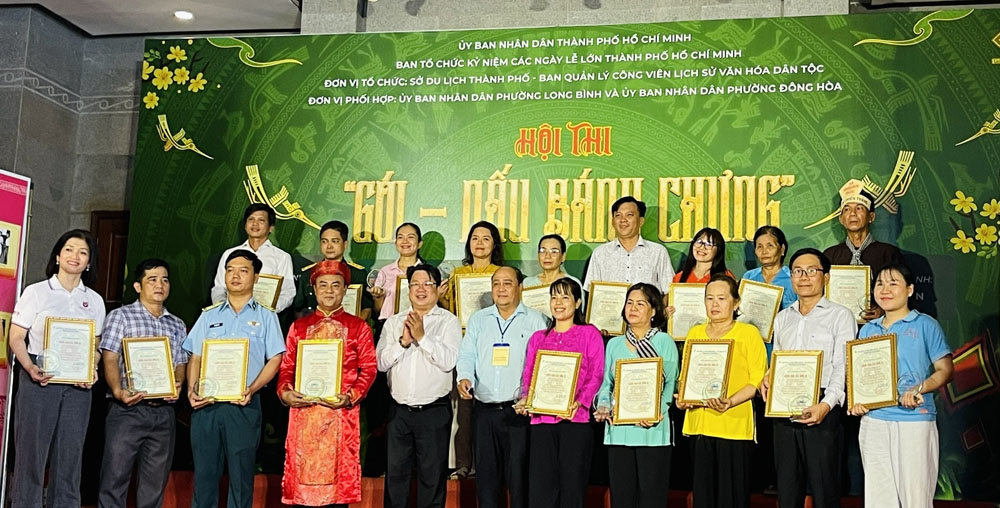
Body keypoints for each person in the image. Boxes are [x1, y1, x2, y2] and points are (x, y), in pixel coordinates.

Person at [8, 229, 106, 508]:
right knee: (31, 456)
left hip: (77, 388)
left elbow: (96, 345)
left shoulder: (95, 300)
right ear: (58, 256)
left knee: (70, 458)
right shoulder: (37, 292)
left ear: (89, 262)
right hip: (39, 379)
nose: (75, 256)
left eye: (83, 252)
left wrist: (92, 368)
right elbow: (16, 337)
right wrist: (30, 367)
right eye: (69, 250)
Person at [184, 249, 285, 508]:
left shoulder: (266, 316)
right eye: (230, 270)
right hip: (207, 406)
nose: (235, 276)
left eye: (243, 270)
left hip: (243, 405)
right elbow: (195, 357)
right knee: (204, 476)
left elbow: (275, 359)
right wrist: (192, 391)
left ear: (256, 277)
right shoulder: (209, 315)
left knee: (241, 478)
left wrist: (252, 388)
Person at [849, 263, 954, 508]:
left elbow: (945, 370)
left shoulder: (925, 324)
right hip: (874, 422)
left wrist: (918, 389)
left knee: (915, 497)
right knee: (878, 497)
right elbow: (861, 377)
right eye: (879, 284)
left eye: (893, 283)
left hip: (914, 419)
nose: (885, 290)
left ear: (909, 290)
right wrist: (858, 402)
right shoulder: (868, 330)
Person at [762, 249, 856, 508]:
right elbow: (777, 360)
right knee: (787, 488)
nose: (804, 277)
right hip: (784, 407)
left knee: (825, 488)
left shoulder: (840, 315)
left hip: (822, 405)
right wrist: (768, 378)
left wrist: (827, 404)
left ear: (826, 277)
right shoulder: (783, 318)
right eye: (797, 271)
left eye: (811, 271)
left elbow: (842, 365)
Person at [278, 260, 377, 507]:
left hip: (341, 415)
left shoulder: (359, 327)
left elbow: (369, 368)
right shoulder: (298, 327)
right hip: (304, 416)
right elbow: (287, 368)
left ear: (345, 289)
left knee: (337, 495)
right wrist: (286, 393)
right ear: (314, 289)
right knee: (303, 493)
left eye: (335, 285)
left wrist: (351, 396)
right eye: (323, 285)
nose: (329, 291)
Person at [97, 258, 189, 508]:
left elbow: (181, 362)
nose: (160, 285)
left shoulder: (177, 324)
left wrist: (178, 384)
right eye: (152, 279)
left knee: (154, 487)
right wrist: (118, 391)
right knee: (114, 480)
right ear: (138, 286)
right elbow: (110, 357)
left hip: (164, 413)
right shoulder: (121, 316)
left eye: (165, 280)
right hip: (127, 410)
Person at [456, 266, 548, 508]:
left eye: (507, 283)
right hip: (484, 411)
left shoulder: (536, 320)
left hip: (519, 412)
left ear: (520, 287)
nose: (501, 289)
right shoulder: (478, 319)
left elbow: (543, 364)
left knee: (519, 481)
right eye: (496, 283)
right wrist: (464, 377)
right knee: (486, 482)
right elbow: (467, 354)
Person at [675, 274, 766, 508]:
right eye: (709, 298)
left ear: (736, 303)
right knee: (703, 496)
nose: (714, 304)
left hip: (733, 425)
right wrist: (683, 399)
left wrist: (730, 401)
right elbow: (685, 376)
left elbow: (757, 380)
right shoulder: (695, 333)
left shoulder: (748, 333)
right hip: (699, 424)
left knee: (731, 497)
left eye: (722, 298)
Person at [376, 265, 462, 508]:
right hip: (399, 413)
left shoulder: (448, 322)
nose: (421, 289)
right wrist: (403, 342)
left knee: (432, 479)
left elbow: (449, 362)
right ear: (408, 288)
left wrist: (423, 337)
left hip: (434, 412)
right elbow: (380, 363)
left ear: (438, 288)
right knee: (396, 479)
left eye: (427, 283)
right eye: (415, 284)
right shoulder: (394, 322)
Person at [516, 278, 604, 508]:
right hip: (541, 421)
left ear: (577, 303)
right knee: (541, 489)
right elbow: (529, 375)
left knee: (572, 487)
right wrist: (525, 398)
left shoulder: (589, 334)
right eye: (554, 297)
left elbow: (596, 373)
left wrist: (581, 401)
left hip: (575, 420)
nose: (558, 302)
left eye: (565, 297)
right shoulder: (539, 338)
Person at [594, 283, 678, 508]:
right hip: (618, 432)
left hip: (653, 432)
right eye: (629, 303)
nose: (633, 308)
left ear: (654, 311)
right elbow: (606, 384)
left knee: (651, 498)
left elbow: (670, 384)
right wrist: (603, 406)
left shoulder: (664, 342)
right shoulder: (614, 344)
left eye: (640, 304)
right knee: (622, 498)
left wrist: (656, 413)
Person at [442, 220, 504, 477]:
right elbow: (452, 313)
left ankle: (487, 464)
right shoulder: (458, 274)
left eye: (486, 238)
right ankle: (463, 464)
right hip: (464, 345)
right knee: (464, 409)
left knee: (489, 407)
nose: (479, 243)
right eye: (475, 238)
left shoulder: (501, 274)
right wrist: (443, 298)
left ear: (494, 245)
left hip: (494, 346)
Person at [822, 180, 903, 320]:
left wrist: (883, 310)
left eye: (859, 208)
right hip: (837, 325)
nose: (853, 214)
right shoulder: (830, 255)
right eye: (847, 209)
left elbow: (902, 291)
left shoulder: (889, 253)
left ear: (871, 216)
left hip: (877, 326)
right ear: (841, 219)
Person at [211, 203, 296, 312]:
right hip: (230, 314)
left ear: (271, 228)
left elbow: (288, 292)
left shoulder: (282, 257)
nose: (255, 224)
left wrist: (268, 311)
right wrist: (223, 309)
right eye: (251, 219)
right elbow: (219, 288)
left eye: (261, 220)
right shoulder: (229, 254)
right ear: (245, 225)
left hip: (264, 316)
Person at [584, 196, 674, 295]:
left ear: (641, 221)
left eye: (629, 215)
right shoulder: (600, 253)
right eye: (618, 215)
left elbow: (669, 291)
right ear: (613, 222)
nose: (623, 220)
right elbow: (592, 292)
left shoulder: (658, 252)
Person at [293, 220, 373, 321]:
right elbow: (298, 309)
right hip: (315, 329)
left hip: (350, 328)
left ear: (345, 244)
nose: (329, 246)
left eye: (334, 241)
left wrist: (355, 327)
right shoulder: (308, 273)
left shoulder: (358, 274)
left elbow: (367, 308)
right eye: (324, 241)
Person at [371, 222, 424, 321]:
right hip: (388, 324)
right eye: (400, 237)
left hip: (418, 324)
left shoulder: (427, 273)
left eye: (410, 237)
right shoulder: (385, 271)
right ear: (395, 243)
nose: (405, 241)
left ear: (419, 244)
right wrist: (379, 298)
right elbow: (378, 310)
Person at [742, 226, 797, 310]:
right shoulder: (749, 277)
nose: (764, 251)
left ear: (782, 249)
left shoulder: (793, 277)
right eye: (759, 247)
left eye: (770, 246)